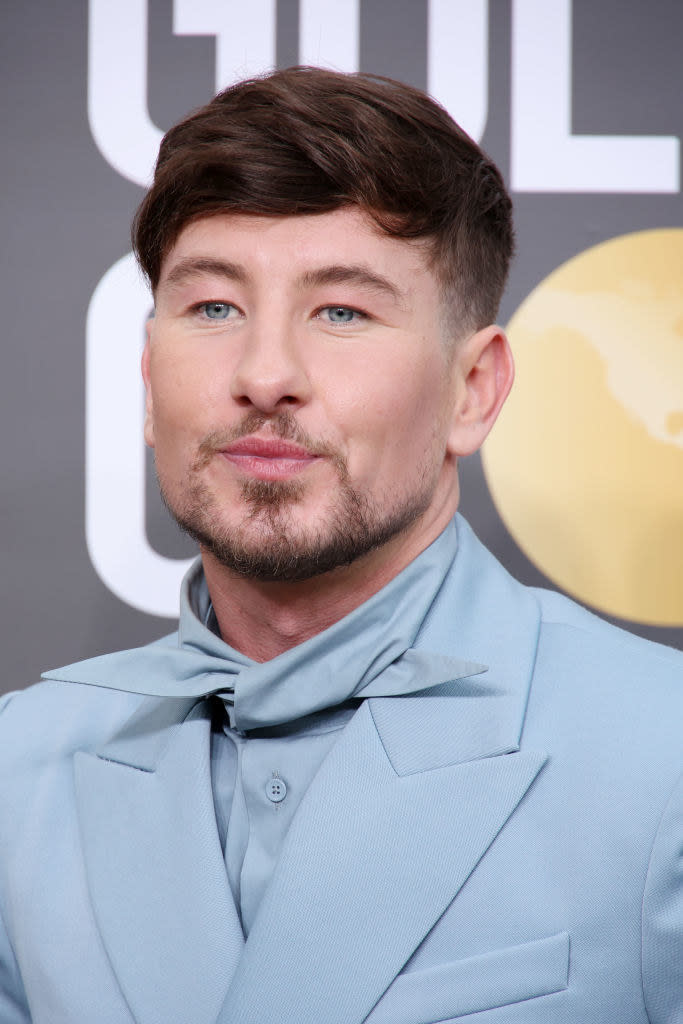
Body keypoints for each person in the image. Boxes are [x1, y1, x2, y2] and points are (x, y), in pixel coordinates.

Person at [0, 67, 681, 1024]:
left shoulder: (664, 758)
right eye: (214, 308)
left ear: (473, 391)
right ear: (150, 381)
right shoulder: (13, 772)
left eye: (343, 311)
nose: (265, 373)